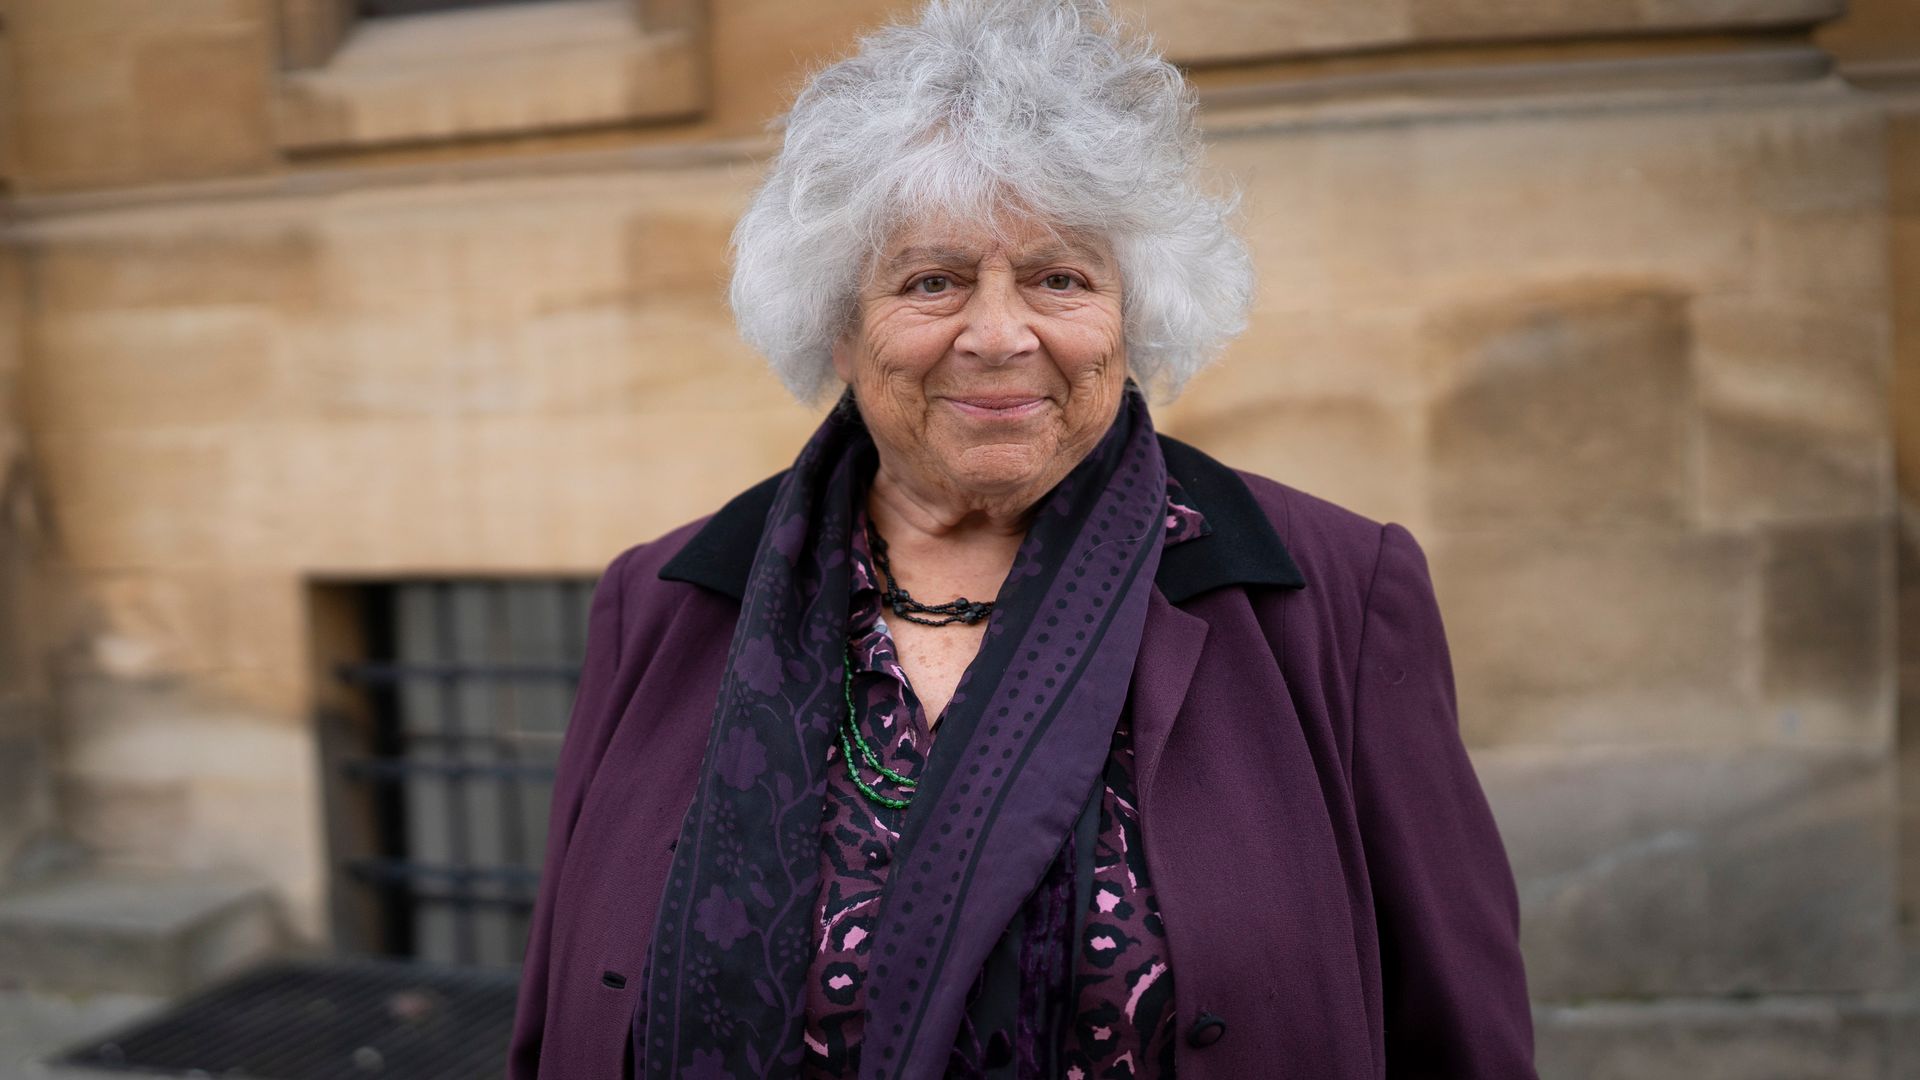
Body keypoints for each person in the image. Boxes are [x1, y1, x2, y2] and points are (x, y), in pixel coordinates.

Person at [507, 1, 1537, 1077]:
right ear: (839, 325)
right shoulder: (667, 603)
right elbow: (557, 1017)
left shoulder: (1331, 596)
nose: (1000, 337)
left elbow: (1459, 1032)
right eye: (933, 282)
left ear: (1131, 313)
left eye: (1059, 278)